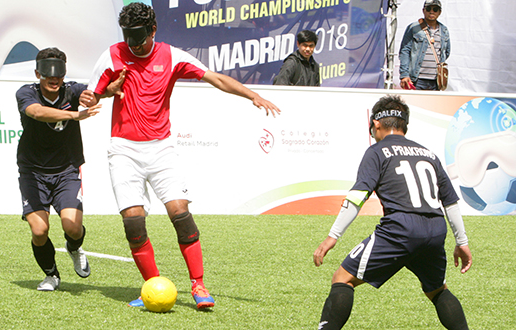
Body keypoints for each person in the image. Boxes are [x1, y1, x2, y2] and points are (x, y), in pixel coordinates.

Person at [86, 2, 280, 310]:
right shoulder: (111, 54)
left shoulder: (172, 55)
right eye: (129, 39)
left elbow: (214, 78)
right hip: (123, 148)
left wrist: (252, 95)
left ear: (153, 29)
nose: (134, 46)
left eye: (140, 38)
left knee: (179, 212)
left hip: (161, 148)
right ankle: (153, 285)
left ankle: (198, 284)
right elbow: (91, 96)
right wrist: (103, 92)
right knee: (133, 222)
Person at [313, 95, 471, 330]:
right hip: (435, 229)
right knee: (438, 290)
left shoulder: (376, 151)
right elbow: (451, 203)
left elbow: (357, 197)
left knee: (342, 279)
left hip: (400, 229)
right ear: (404, 125)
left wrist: (332, 237)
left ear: (376, 124)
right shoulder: (429, 154)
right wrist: (462, 242)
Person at [15, 47, 102, 291]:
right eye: (47, 74)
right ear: (37, 73)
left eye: (59, 74)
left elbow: (94, 93)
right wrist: (75, 115)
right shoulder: (25, 93)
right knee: (40, 229)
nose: (54, 79)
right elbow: (37, 112)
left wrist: (96, 96)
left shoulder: (72, 90)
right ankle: (51, 274)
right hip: (33, 172)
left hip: (66, 171)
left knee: (72, 228)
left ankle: (74, 248)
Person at [399, 0, 449, 91]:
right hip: (417, 79)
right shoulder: (414, 28)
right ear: (423, 10)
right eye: (428, 9)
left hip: (436, 80)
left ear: (440, 12)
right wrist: (404, 75)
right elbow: (404, 51)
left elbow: (446, 52)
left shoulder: (444, 30)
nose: (432, 11)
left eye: (435, 9)